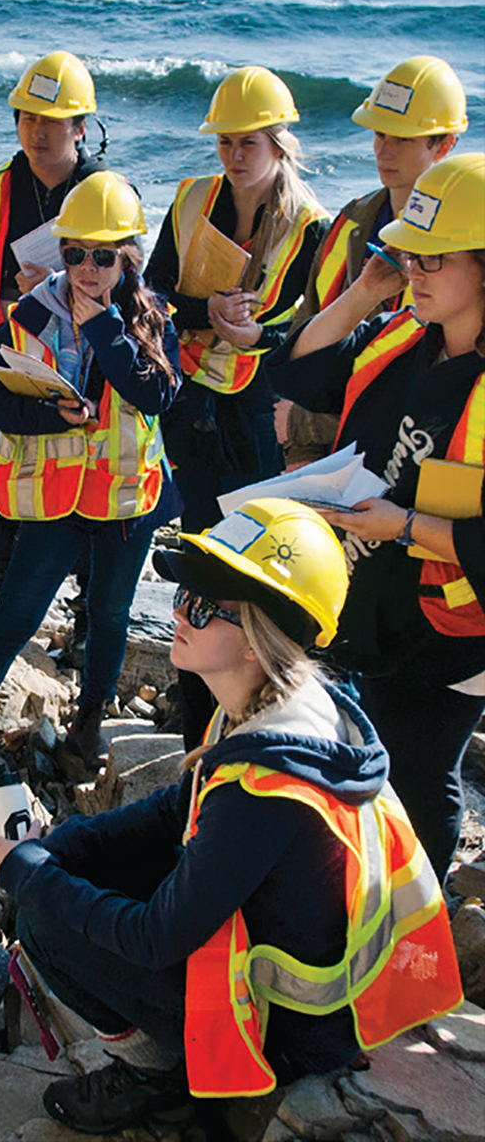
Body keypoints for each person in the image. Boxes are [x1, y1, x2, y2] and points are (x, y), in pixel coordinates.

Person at [0, 499, 460, 1134]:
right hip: (315, 996)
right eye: (183, 595)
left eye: (205, 608)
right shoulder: (285, 707)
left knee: (46, 922)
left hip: (291, 1031)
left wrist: (30, 879)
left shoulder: (267, 788)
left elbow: (154, 938)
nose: (178, 614)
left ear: (261, 640)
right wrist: (62, 848)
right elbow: (173, 811)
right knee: (72, 876)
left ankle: (160, 1076)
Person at [0, 173, 179, 781]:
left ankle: (90, 723)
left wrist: (102, 327)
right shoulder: (30, 313)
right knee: (14, 614)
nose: (87, 269)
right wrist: (50, 413)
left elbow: (156, 395)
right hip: (57, 497)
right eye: (74, 255)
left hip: (124, 502)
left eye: (103, 257)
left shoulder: (150, 317)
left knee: (109, 613)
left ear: (129, 257)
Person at [270, 153, 485, 882]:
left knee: (423, 775)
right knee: (371, 759)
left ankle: (415, 921)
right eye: (410, 253)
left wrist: (405, 526)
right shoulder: (401, 336)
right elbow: (296, 370)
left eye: (436, 258)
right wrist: (366, 289)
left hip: (454, 637)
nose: (415, 270)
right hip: (372, 603)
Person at [145, 66, 329, 748]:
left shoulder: (311, 225)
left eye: (250, 141)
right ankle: (197, 715)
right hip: (191, 404)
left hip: (255, 413)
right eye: (226, 141)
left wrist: (261, 335)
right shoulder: (193, 198)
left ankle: (251, 709)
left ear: (280, 143)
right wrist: (205, 310)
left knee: (250, 568)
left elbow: (316, 331)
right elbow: (153, 290)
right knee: (201, 553)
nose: (236, 154)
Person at [0, 51, 105, 590]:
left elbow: (133, 287)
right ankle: (6, 588)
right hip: (7, 353)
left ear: (80, 127)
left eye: (52, 120)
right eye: (28, 118)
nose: (37, 132)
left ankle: (86, 606)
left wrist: (62, 283)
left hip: (85, 359)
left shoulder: (105, 192)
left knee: (87, 479)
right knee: (7, 474)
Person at [280, 55, 466, 468]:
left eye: (401, 138)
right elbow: (308, 329)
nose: (383, 149)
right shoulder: (352, 221)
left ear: (444, 145)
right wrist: (301, 443)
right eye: (380, 134)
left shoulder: (462, 246)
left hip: (405, 454)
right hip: (326, 450)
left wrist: (301, 426)